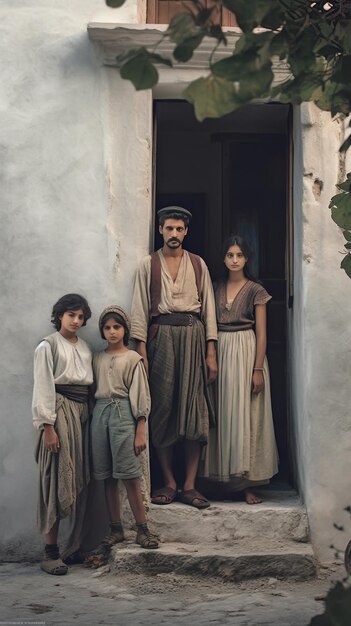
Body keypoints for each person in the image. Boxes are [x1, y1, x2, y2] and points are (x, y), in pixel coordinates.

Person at [131, 206, 218, 509]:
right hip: (161, 338)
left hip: (193, 336)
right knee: (163, 408)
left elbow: (208, 309)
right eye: (169, 229)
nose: (174, 234)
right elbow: (140, 309)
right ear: (160, 230)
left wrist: (211, 350)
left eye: (179, 230)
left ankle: (190, 486)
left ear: (186, 232)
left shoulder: (198, 264)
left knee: (194, 409)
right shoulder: (148, 265)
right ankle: (168, 482)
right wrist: (141, 352)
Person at [203, 235, 278, 504]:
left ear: (247, 258)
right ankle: (220, 480)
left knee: (247, 413)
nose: (234, 260)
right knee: (222, 412)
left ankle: (248, 483)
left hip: (247, 350)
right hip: (221, 350)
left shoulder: (255, 290)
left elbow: (262, 333)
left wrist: (257, 369)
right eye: (229, 255)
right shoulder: (215, 287)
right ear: (223, 259)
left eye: (239, 255)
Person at [89, 305, 159, 552]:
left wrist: (140, 428)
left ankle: (142, 528)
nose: (112, 332)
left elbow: (141, 395)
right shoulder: (96, 358)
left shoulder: (133, 359)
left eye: (116, 327)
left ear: (125, 329)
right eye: (107, 328)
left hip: (124, 416)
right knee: (107, 477)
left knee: (130, 475)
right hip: (100, 416)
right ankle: (115, 529)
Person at [32, 293, 93, 575]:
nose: (76, 321)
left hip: (81, 415)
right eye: (71, 315)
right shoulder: (48, 346)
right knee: (55, 480)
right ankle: (50, 552)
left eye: (81, 317)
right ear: (59, 315)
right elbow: (44, 387)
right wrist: (48, 427)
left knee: (79, 479)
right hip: (58, 415)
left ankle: (73, 547)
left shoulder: (85, 347)